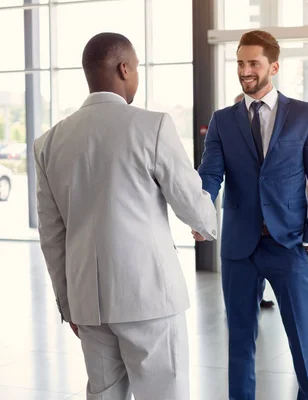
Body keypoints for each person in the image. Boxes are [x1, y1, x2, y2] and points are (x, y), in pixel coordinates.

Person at [34, 33, 218, 399]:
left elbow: (51, 235)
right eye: (136, 69)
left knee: (104, 395)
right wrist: (205, 225)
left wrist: (68, 302)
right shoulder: (153, 126)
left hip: (89, 303)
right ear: (124, 69)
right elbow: (190, 202)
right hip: (149, 296)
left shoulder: (49, 142)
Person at [198, 30, 308, 399]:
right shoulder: (223, 120)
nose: (245, 70)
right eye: (240, 62)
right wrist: (200, 212)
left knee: (304, 341)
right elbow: (210, 175)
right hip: (239, 249)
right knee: (240, 343)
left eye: (253, 63)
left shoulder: (304, 116)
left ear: (273, 66)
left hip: (289, 245)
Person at [234, 92, 275, 309]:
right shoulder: (227, 128)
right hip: (242, 214)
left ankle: (259, 296)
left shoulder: (268, 128)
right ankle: (252, 297)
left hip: (274, 221)